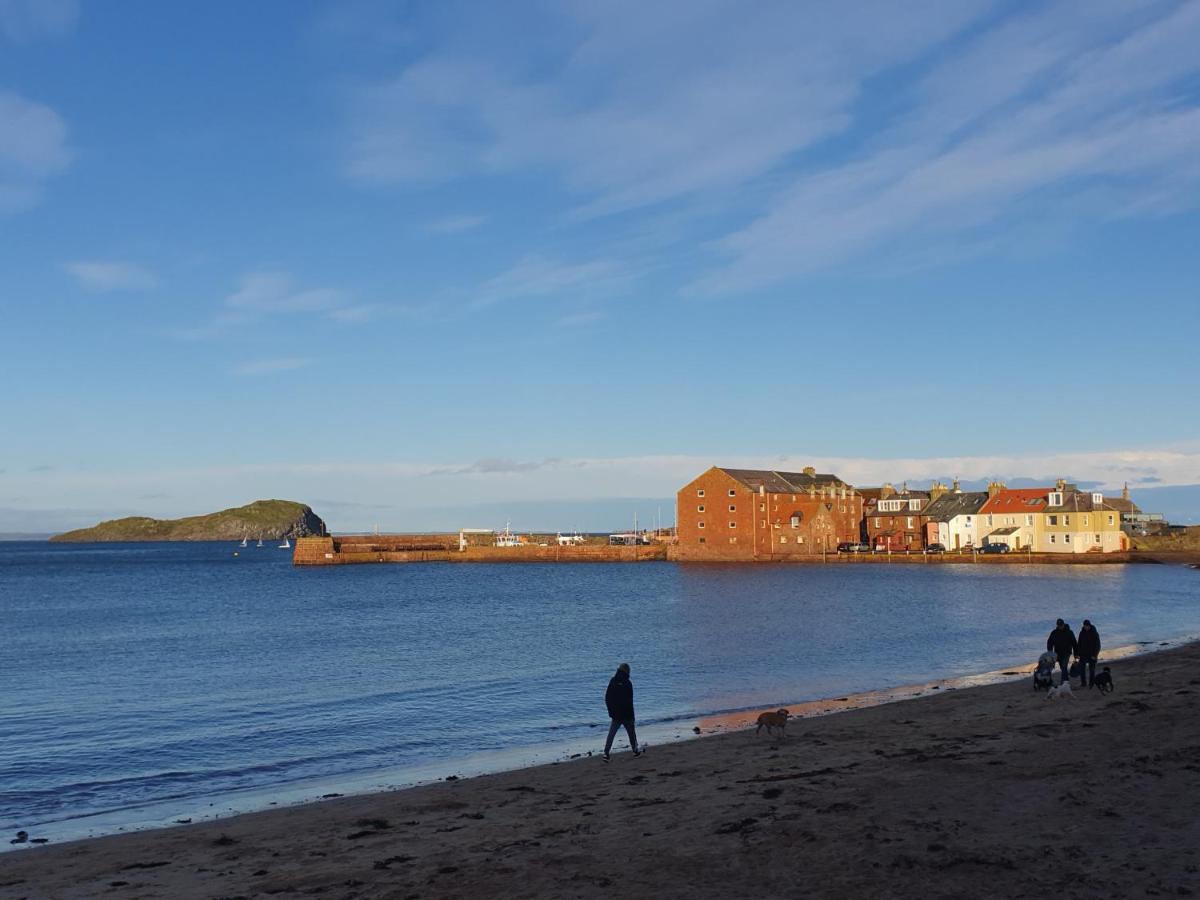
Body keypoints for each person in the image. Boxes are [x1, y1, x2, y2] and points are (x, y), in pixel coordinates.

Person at [603, 662, 642, 761]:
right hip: (626, 714)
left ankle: (606, 753)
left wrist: (611, 711)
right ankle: (635, 750)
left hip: (616, 714)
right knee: (631, 734)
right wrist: (632, 715)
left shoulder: (613, 681)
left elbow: (607, 698)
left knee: (611, 734)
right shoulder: (628, 683)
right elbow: (630, 701)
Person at [1046, 619, 1078, 686]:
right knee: (1063, 668)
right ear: (1057, 625)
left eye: (1061, 625)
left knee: (1064, 666)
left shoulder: (1069, 632)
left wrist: (1076, 654)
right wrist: (1050, 653)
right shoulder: (1054, 633)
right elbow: (1049, 643)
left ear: (1063, 624)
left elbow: (1074, 644)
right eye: (1059, 625)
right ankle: (1066, 681)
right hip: (1057, 653)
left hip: (1067, 653)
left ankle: (1062, 683)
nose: (1060, 627)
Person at [1077, 619, 1101, 688]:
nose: (1086, 627)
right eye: (1085, 626)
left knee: (1092, 670)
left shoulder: (1094, 633)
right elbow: (1079, 643)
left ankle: (1091, 683)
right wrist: (1078, 654)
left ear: (1089, 625)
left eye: (1087, 626)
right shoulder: (1082, 633)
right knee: (1082, 669)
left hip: (1092, 654)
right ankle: (1083, 683)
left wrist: (1095, 655)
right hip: (1083, 654)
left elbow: (1098, 645)